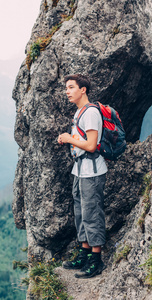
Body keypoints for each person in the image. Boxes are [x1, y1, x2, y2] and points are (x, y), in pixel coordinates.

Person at [58, 74, 108, 278]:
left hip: (92, 172)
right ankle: (84, 253)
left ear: (83, 90)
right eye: (66, 88)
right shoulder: (80, 112)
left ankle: (96, 260)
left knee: (92, 214)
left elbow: (91, 145)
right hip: (79, 170)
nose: (67, 91)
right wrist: (68, 139)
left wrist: (70, 138)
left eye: (71, 87)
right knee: (80, 213)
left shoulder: (91, 113)